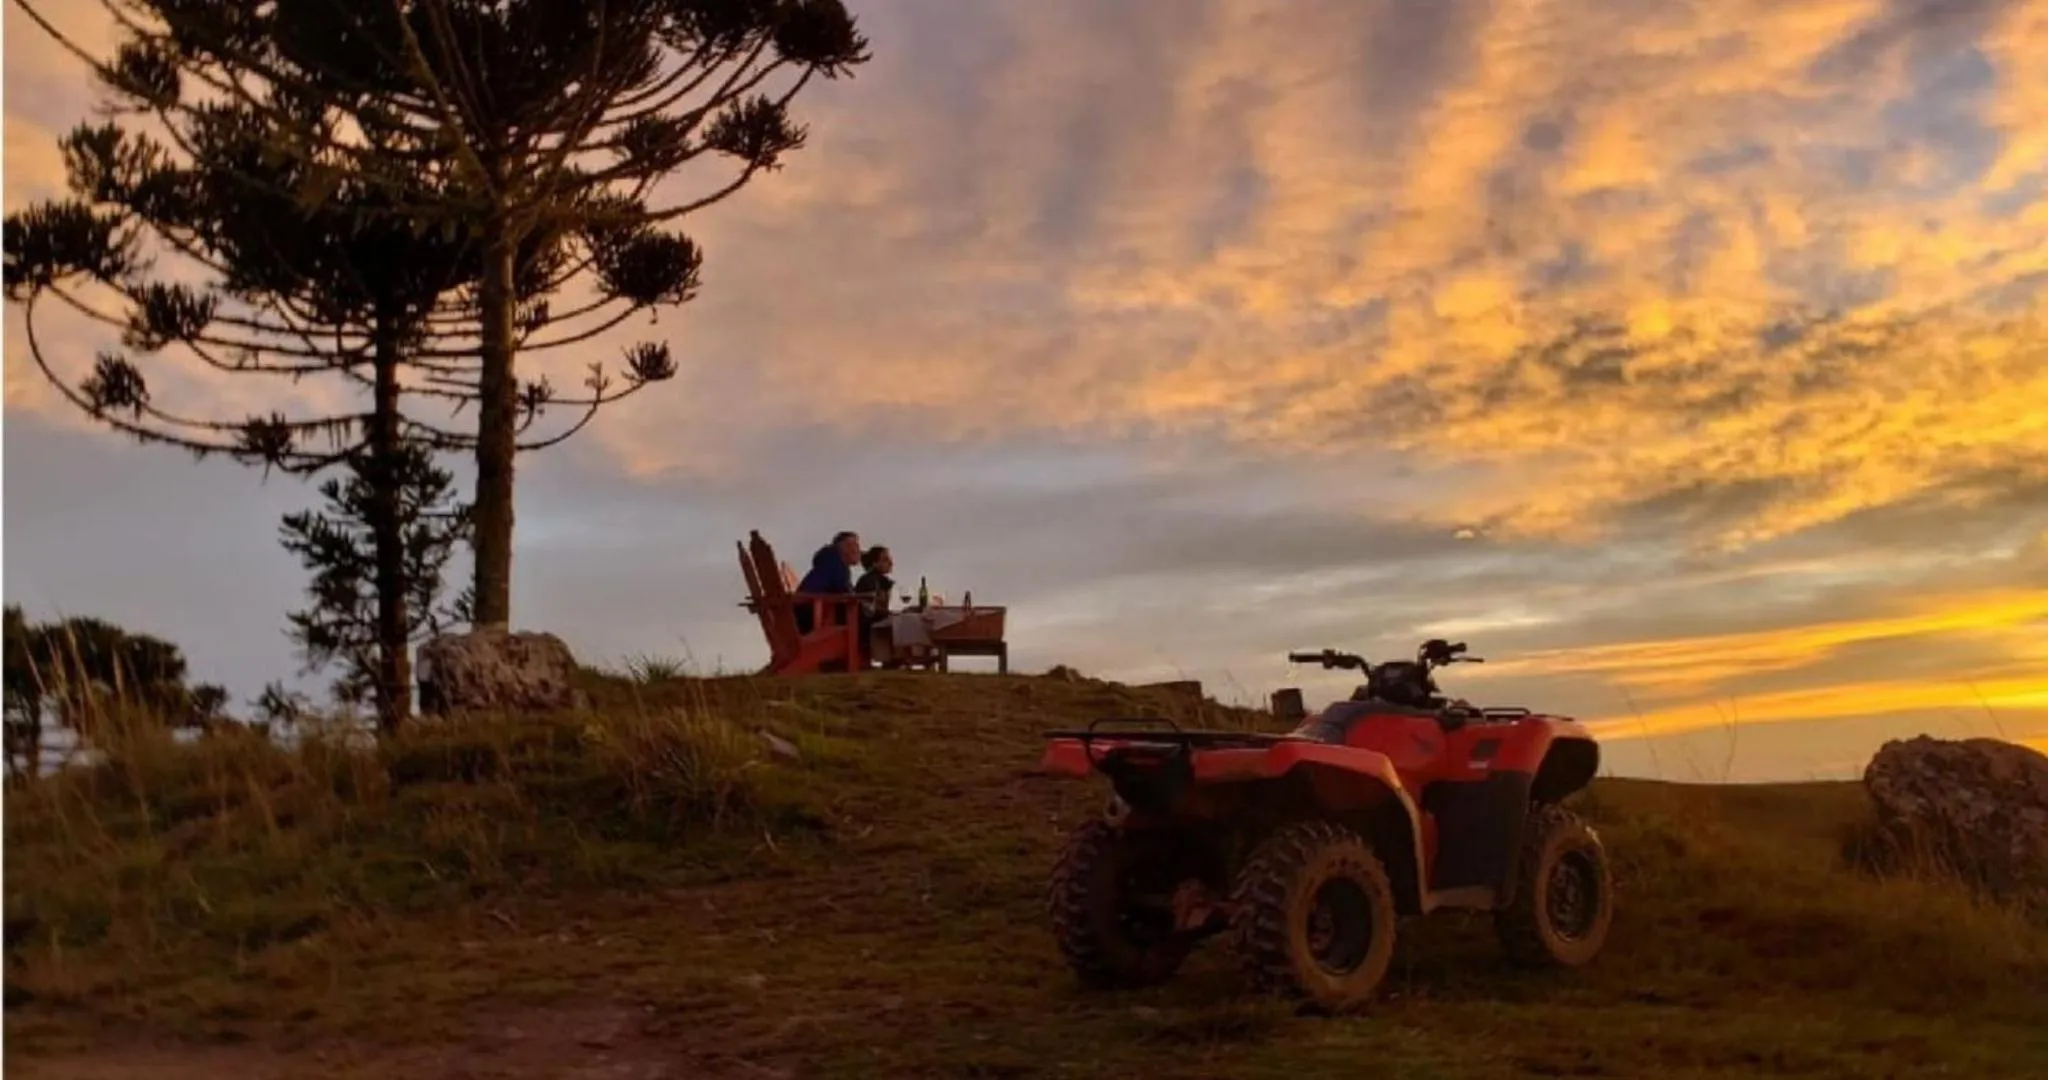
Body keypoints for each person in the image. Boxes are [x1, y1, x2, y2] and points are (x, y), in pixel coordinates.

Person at [793, 530, 861, 634]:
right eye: (855, 545)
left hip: (802, 618)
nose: (858, 550)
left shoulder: (830, 564)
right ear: (843, 547)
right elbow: (846, 594)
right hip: (812, 620)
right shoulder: (835, 566)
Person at [854, 545, 895, 618]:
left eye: (890, 559)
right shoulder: (868, 580)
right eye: (885, 560)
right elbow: (869, 610)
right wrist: (894, 614)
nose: (891, 563)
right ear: (874, 563)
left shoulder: (882, 581)